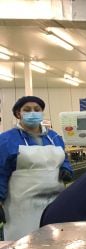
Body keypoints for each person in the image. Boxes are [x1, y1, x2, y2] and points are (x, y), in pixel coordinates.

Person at [0, 96, 73, 240]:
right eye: (27, 110)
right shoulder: (6, 140)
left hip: (54, 201)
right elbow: (1, 172)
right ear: (18, 114)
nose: (33, 112)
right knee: (23, 244)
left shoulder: (54, 137)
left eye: (37, 109)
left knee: (55, 240)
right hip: (22, 208)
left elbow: (63, 158)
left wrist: (66, 169)